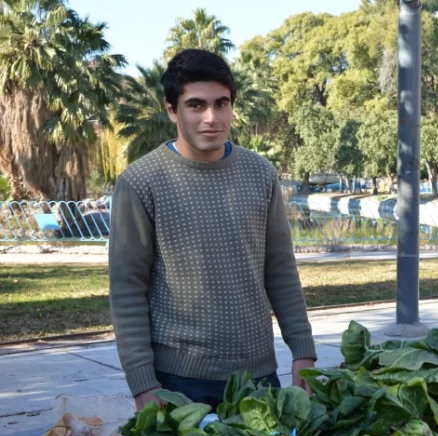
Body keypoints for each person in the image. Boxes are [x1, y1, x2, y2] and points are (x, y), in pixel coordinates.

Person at [109, 49, 316, 410]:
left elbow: (281, 269)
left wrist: (303, 351)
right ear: (171, 109)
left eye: (222, 104)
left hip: (259, 374)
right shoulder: (141, 181)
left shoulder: (260, 173)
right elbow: (127, 289)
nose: (211, 118)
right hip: (178, 380)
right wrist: (143, 384)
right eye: (196, 105)